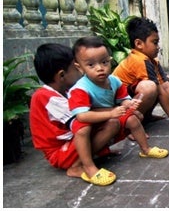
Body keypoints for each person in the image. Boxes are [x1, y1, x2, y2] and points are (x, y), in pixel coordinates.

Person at [68, 36, 168, 185]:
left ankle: (145, 149)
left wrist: (130, 103)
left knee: (133, 118)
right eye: (91, 65)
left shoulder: (114, 81)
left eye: (104, 62)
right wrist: (111, 113)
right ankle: (87, 167)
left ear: (110, 60)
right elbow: (82, 116)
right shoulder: (81, 88)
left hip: (108, 115)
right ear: (79, 67)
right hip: (88, 120)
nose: (100, 68)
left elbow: (123, 99)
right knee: (82, 129)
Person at [30, 43, 121, 184]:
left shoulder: (66, 91)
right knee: (92, 124)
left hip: (70, 144)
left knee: (114, 121)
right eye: (76, 68)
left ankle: (96, 153)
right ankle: (78, 166)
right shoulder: (45, 96)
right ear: (62, 75)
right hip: (59, 153)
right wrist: (114, 111)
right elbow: (82, 116)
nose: (81, 71)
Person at [113, 17, 169, 130]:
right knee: (150, 87)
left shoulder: (152, 60)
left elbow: (166, 85)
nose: (158, 47)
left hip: (132, 98)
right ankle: (130, 126)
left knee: (166, 80)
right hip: (119, 105)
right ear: (139, 44)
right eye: (154, 43)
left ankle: (146, 116)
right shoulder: (139, 60)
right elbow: (160, 92)